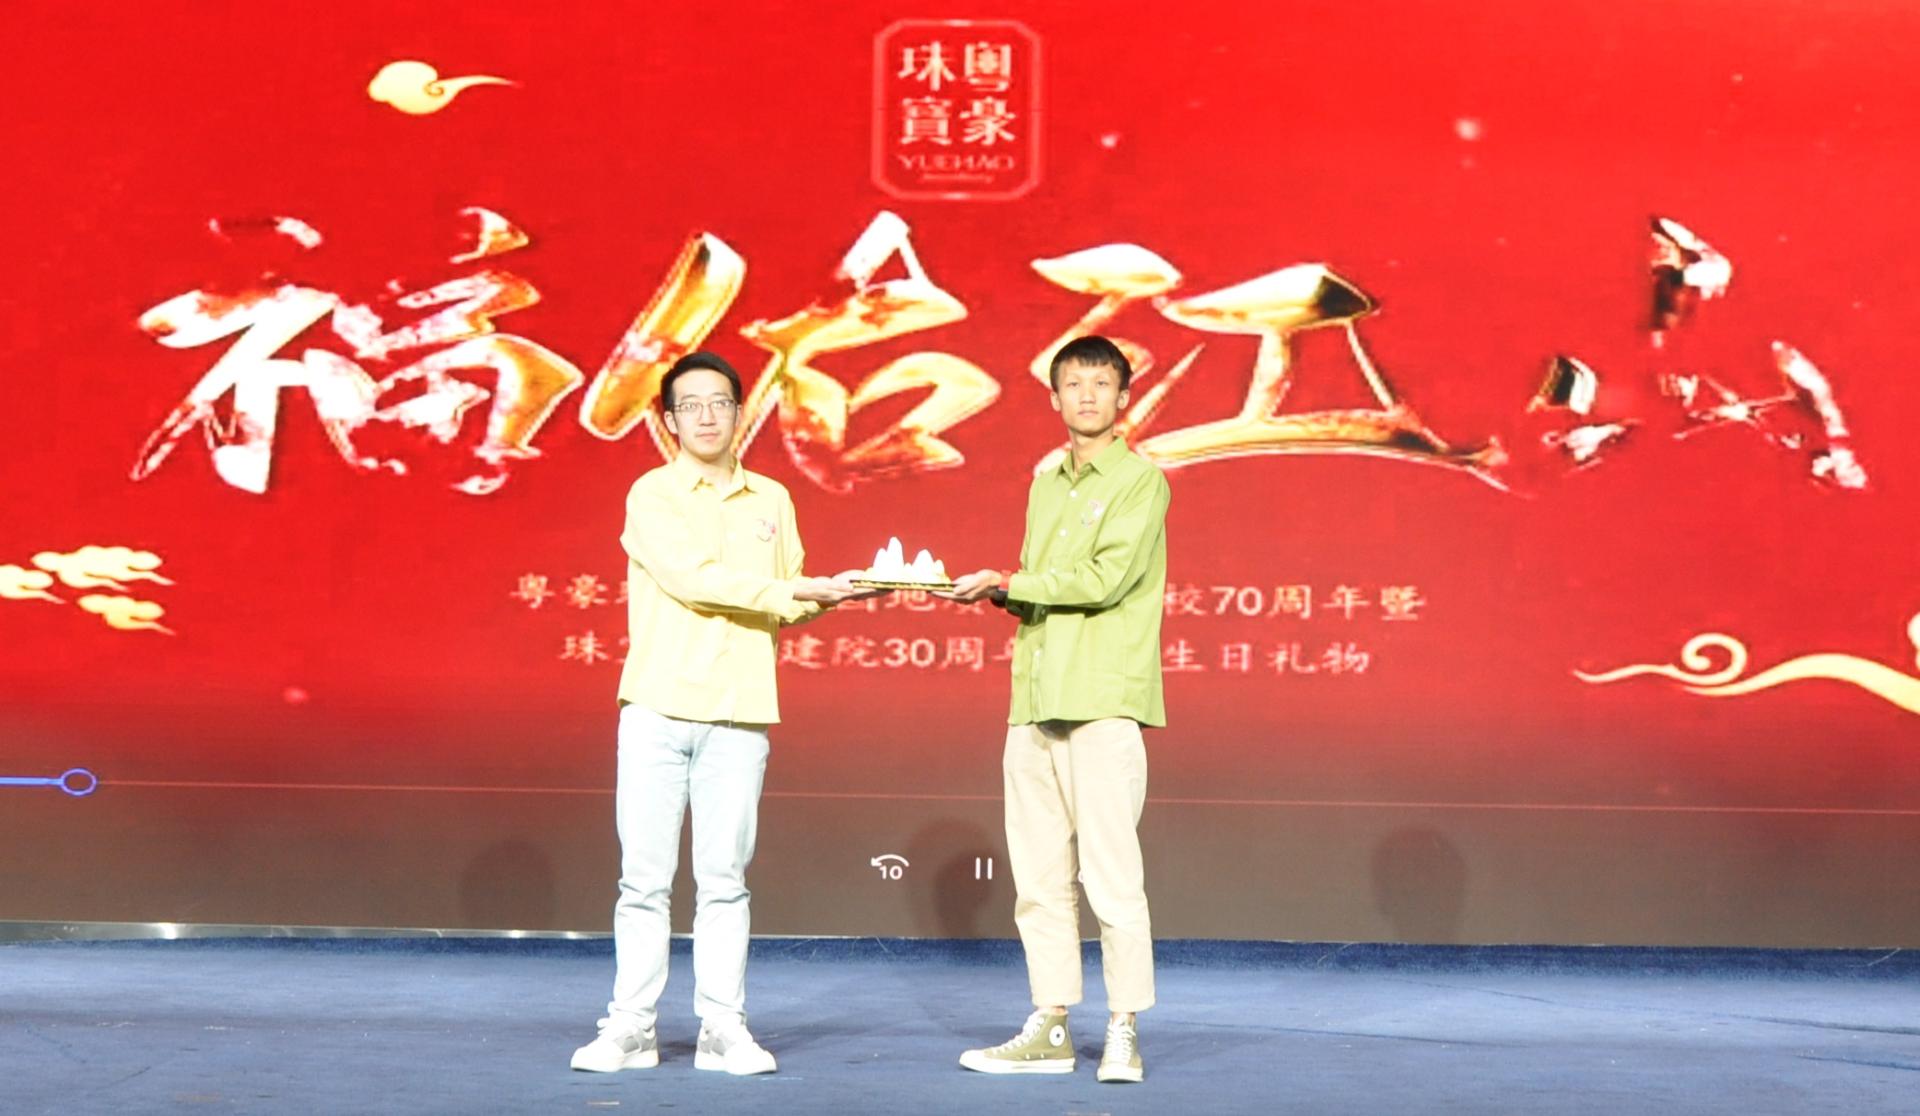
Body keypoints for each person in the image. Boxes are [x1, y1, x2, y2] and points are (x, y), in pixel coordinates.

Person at [570, 351, 866, 1076]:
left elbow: (788, 597)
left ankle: (722, 1028)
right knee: (643, 882)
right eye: (691, 405)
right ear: (669, 421)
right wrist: (794, 593)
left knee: (725, 879)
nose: (707, 416)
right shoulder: (653, 493)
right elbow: (693, 580)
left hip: (740, 712)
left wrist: (835, 593)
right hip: (658, 707)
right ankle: (630, 1027)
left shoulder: (772, 499)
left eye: (720, 403)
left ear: (741, 413)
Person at [939, 335, 1171, 1084]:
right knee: (1039, 879)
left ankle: (1124, 1026)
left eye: (1101, 384)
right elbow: (1040, 586)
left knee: (1112, 877)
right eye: (1074, 384)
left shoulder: (1140, 481)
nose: (1087, 396)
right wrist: (998, 591)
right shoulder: (1045, 485)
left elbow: (1104, 580)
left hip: (1101, 698)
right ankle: (1052, 1023)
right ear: (1054, 397)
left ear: (1123, 397)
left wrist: (1010, 583)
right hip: (1035, 698)